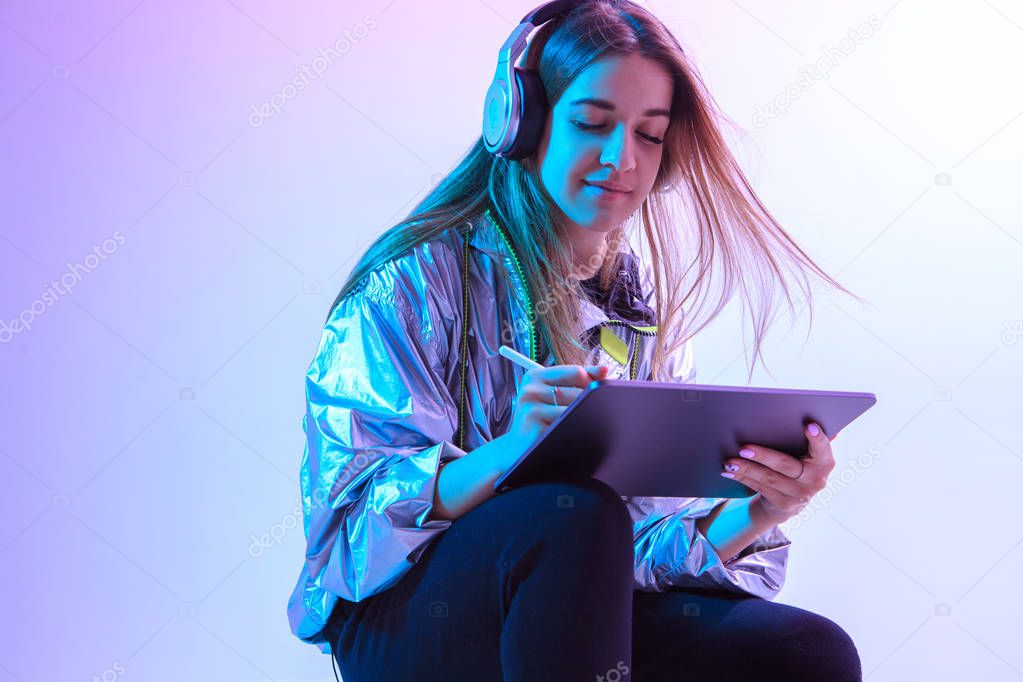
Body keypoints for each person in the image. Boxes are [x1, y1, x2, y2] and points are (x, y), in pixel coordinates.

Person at [287, 1, 864, 679]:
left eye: (649, 135)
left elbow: (639, 547)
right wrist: (509, 455)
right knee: (571, 513)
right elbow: (348, 538)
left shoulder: (633, 305)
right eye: (592, 124)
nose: (622, 158)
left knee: (805, 653)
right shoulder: (410, 281)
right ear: (522, 124)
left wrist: (761, 509)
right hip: (406, 628)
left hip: (561, 621)